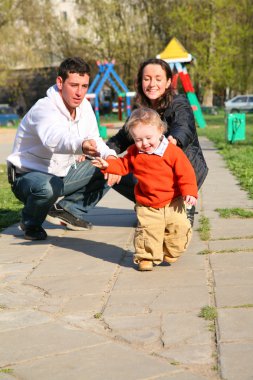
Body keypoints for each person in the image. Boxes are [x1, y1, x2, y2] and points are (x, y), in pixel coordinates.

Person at [6, 57, 117, 241]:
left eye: (84, 86)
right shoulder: (44, 108)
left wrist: (110, 157)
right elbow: (54, 139)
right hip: (28, 177)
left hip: (62, 174)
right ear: (60, 82)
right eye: (74, 85)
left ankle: (68, 209)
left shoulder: (85, 106)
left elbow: (96, 139)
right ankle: (30, 223)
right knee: (49, 187)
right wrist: (80, 145)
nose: (79, 93)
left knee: (109, 166)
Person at [106, 58, 208, 226]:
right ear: (140, 82)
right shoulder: (140, 110)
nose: (152, 83)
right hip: (155, 173)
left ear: (168, 82)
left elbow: (184, 126)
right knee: (107, 166)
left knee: (177, 229)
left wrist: (173, 140)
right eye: (147, 78)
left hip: (183, 170)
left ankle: (184, 205)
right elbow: (122, 138)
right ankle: (147, 204)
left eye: (158, 79)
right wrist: (103, 151)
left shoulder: (179, 103)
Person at [93, 107, 198, 271]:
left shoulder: (172, 152)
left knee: (180, 228)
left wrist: (189, 192)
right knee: (148, 232)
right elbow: (122, 165)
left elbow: (186, 172)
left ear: (160, 130)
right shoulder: (135, 153)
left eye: (149, 138)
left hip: (173, 201)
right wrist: (108, 165)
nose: (145, 143)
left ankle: (172, 250)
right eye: (138, 139)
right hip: (147, 203)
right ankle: (146, 257)